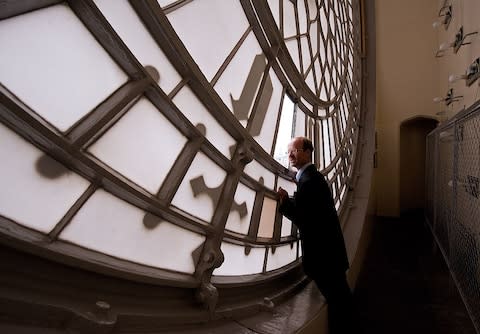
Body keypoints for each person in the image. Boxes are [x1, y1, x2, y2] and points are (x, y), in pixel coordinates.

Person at [277, 137, 354, 333]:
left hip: (324, 259)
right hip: (330, 255)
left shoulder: (309, 181)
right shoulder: (313, 178)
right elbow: (313, 212)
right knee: (341, 299)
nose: (290, 155)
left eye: (295, 150)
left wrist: (285, 202)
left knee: (339, 302)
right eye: (289, 152)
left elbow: (305, 218)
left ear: (308, 152)